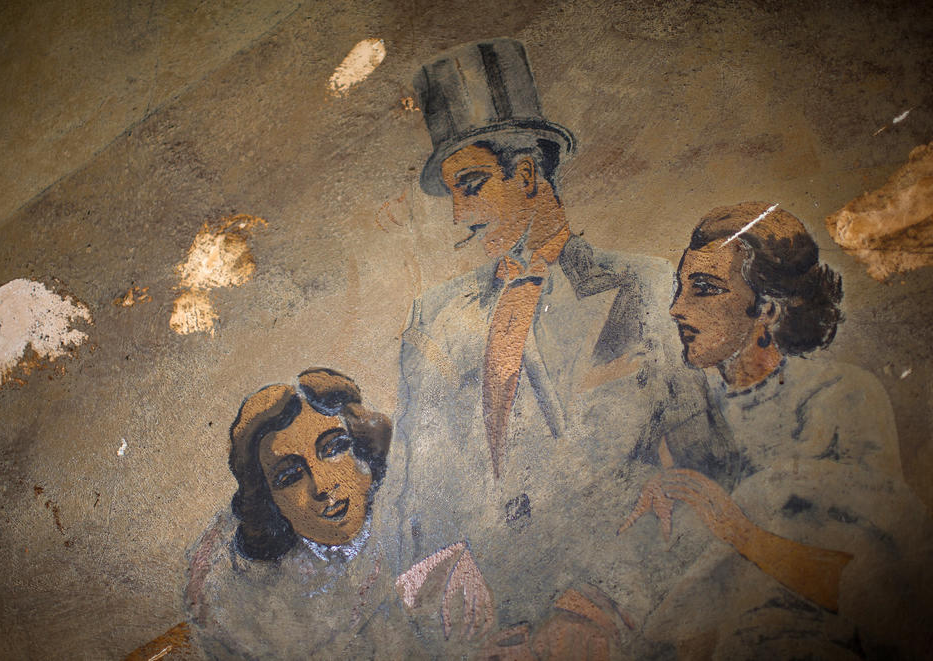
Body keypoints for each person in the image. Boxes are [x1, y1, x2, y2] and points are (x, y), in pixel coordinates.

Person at [374, 38, 737, 658]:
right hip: (481, 628)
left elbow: (714, 478)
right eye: (453, 195)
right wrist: (454, 636)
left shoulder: (648, 288)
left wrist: (605, 610)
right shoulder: (433, 320)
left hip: (616, 619)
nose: (460, 215)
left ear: (526, 172)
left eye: (472, 185)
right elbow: (413, 501)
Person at [623, 202, 931, 658]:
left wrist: (734, 527)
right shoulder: (678, 417)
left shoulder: (838, 398)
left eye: (703, 290)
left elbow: (878, 593)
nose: (675, 309)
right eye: (679, 289)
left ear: (765, 308)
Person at [184, 368, 412, 659]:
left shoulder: (411, 518)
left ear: (362, 446)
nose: (322, 485)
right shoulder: (251, 607)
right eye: (290, 476)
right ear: (271, 502)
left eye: (333, 448)